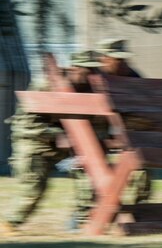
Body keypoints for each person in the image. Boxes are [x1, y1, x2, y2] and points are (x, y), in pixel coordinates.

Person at [1, 51, 103, 235]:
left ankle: (80, 221)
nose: (90, 74)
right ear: (74, 68)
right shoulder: (46, 85)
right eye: (86, 69)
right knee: (34, 187)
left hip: (69, 145)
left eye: (93, 69)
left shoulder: (91, 89)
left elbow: (97, 123)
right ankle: (10, 223)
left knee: (87, 176)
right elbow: (26, 124)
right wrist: (56, 135)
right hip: (35, 142)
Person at [96, 38, 152, 205]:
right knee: (92, 158)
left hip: (128, 125)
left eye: (123, 59)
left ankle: (139, 207)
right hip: (99, 124)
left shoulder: (133, 77)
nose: (122, 64)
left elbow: (144, 109)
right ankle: (89, 209)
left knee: (141, 158)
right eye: (117, 59)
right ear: (104, 59)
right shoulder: (95, 77)